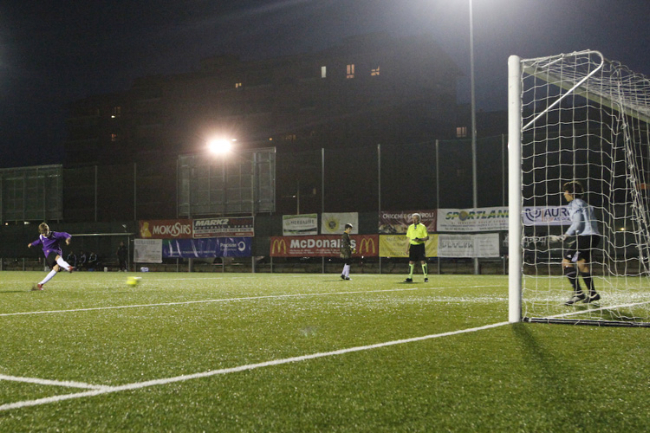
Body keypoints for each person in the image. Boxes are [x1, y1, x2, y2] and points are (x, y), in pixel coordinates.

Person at [552, 181, 602, 305]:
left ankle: (578, 293)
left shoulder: (574, 203)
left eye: (565, 192)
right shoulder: (585, 204)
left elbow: (578, 222)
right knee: (582, 263)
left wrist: (566, 235)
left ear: (571, 193)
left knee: (566, 262)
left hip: (586, 236)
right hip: (594, 236)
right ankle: (592, 293)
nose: (564, 194)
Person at [28, 222, 74, 290]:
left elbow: (64, 234)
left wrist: (68, 238)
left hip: (57, 251)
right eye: (43, 233)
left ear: (48, 229)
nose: (45, 234)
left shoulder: (54, 234)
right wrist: (32, 244)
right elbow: (39, 241)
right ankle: (68, 267)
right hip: (48, 252)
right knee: (57, 258)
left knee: (56, 268)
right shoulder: (41, 236)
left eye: (46, 232)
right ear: (40, 232)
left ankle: (40, 284)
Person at [405, 213, 429, 283]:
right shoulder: (410, 227)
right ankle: (410, 277)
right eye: (413, 219)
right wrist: (406, 248)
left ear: (419, 219)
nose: (414, 220)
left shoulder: (422, 227)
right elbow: (408, 238)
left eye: (416, 219)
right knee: (411, 261)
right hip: (412, 246)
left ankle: (425, 277)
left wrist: (420, 239)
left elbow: (427, 237)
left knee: (422, 261)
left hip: (420, 245)